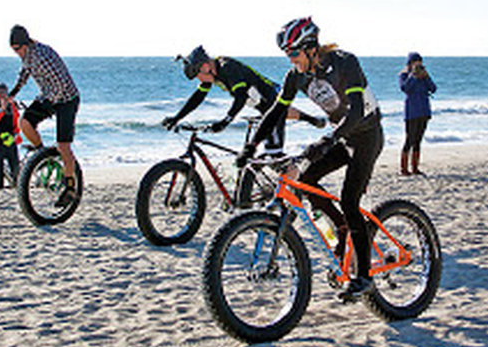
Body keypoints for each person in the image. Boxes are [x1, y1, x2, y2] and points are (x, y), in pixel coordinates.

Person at [237, 17, 384, 302]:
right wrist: (251, 146)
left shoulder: (344, 63)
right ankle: (342, 229)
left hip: (366, 135)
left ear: (310, 48)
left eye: (293, 53)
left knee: (351, 199)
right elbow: (275, 113)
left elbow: (355, 113)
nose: (291, 60)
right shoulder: (296, 77)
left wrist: (326, 141)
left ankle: (364, 276)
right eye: (287, 55)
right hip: (340, 135)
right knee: (304, 180)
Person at [162, 46, 325, 154]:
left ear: (205, 67)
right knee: (265, 111)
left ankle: (289, 188)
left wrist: (225, 121)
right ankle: (311, 119)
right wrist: (176, 118)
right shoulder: (212, 75)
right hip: (261, 103)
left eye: (197, 75)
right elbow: (197, 98)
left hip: (271, 95)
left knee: (273, 152)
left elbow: (240, 98)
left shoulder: (227, 68)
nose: (199, 80)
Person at [7, 25, 81, 208]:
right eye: (13, 50)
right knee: (24, 122)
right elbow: (25, 74)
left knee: (63, 146)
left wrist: (47, 104)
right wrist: (13, 94)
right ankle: (42, 153)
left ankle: (70, 186)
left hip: (67, 99)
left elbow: (60, 83)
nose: (16, 53)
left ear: (25, 43)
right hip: (50, 96)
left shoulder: (42, 55)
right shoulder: (27, 57)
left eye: (17, 49)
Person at [399, 52, 436, 175]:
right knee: (409, 139)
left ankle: (415, 168)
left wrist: (426, 76)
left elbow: (433, 89)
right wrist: (413, 76)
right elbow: (405, 88)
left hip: (424, 111)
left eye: (420, 62)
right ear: (410, 63)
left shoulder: (423, 76)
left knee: (418, 141)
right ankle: (404, 169)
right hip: (411, 112)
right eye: (416, 62)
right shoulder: (404, 75)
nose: (418, 64)